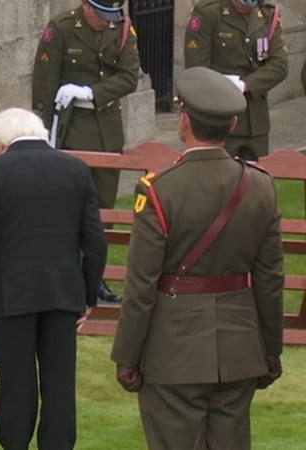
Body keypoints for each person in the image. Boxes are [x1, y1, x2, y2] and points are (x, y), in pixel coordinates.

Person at [110, 66, 284, 450]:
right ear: (234, 123)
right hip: (240, 348)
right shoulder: (260, 187)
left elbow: (141, 284)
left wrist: (127, 356)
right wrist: (271, 349)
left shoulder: (160, 190)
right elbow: (270, 280)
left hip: (173, 350)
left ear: (183, 121)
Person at [0, 107, 107, 449]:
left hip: (11, 294)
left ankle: (15, 444)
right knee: (60, 384)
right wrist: (88, 297)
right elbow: (95, 242)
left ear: (2, 141)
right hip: (63, 293)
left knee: (16, 382)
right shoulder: (76, 170)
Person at [32, 0, 139, 303]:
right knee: (66, 210)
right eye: (101, 16)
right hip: (70, 130)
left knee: (102, 211)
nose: (106, 23)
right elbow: (44, 81)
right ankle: (62, 276)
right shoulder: (63, 28)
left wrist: (92, 93)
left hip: (106, 131)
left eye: (111, 17)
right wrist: (41, 132)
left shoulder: (122, 30)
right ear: (85, 6)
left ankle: (95, 277)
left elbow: (129, 76)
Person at [184, 0, 288, 162]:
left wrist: (245, 85)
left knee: (256, 182)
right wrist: (224, 86)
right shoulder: (209, 13)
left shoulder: (267, 14)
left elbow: (280, 66)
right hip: (219, 119)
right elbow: (197, 71)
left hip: (255, 121)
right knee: (220, 180)